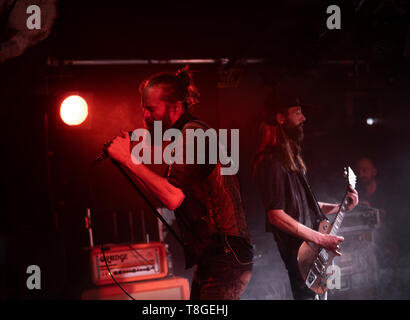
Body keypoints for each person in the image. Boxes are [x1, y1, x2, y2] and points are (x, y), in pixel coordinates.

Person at [106, 66, 253, 300]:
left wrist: (127, 158)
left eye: (150, 108)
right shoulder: (187, 135)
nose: (144, 115)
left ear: (175, 107)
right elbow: (163, 195)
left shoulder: (194, 134)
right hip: (216, 255)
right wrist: (127, 162)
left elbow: (172, 197)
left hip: (225, 254)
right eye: (143, 108)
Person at [253, 96, 359, 300]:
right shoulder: (270, 161)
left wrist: (340, 207)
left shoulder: (288, 160)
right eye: (297, 112)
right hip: (300, 254)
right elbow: (275, 215)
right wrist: (320, 238)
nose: (304, 118)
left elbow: (303, 206)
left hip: (313, 251)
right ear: (281, 118)